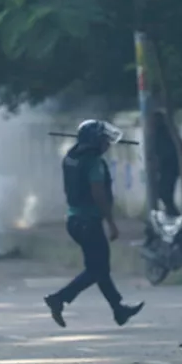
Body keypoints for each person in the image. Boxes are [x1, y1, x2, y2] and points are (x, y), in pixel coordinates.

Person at [44, 120, 144, 328]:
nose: (107, 143)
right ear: (94, 141)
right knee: (97, 269)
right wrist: (111, 222)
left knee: (99, 268)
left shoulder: (71, 157)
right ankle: (59, 298)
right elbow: (98, 193)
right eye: (103, 139)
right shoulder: (94, 163)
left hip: (73, 220)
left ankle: (118, 309)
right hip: (89, 222)